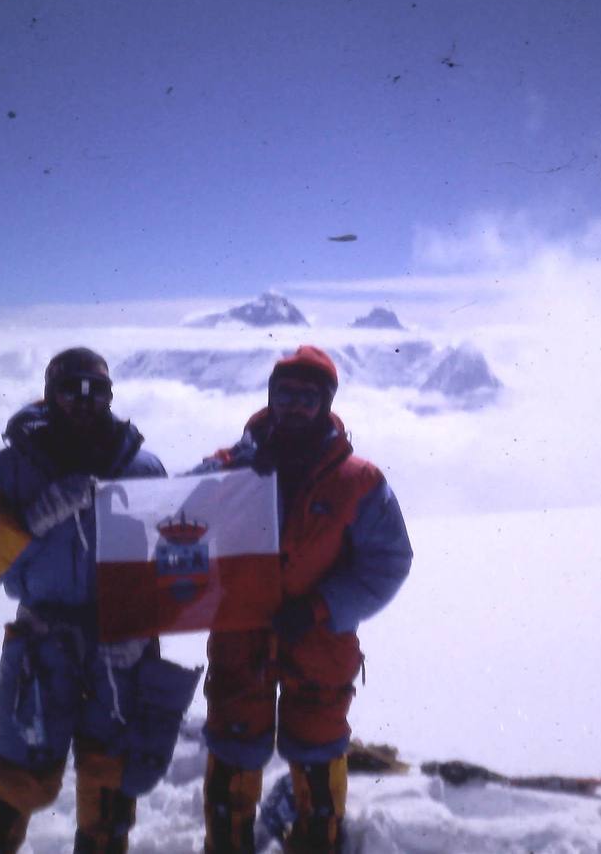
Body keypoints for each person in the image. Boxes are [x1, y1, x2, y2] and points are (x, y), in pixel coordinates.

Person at [0, 347, 200, 854]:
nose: (84, 401)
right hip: (43, 642)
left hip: (121, 645)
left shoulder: (144, 469)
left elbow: (171, 559)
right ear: (50, 393)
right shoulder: (5, 471)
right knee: (19, 774)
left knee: (111, 776)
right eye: (71, 389)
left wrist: (144, 627)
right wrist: (29, 520)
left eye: (95, 390)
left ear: (109, 395)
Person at [195, 345, 413, 853]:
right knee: (232, 750)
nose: (292, 406)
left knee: (318, 757)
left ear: (326, 404)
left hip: (317, 640)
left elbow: (389, 562)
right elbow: (178, 515)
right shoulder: (229, 467)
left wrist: (321, 608)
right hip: (239, 638)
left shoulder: (358, 481)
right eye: (283, 394)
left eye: (307, 398)